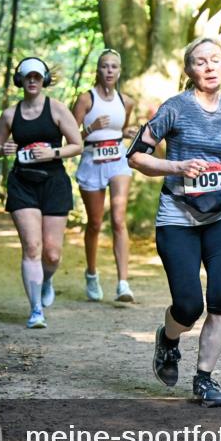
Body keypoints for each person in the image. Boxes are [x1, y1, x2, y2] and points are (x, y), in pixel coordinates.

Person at [127, 36, 221, 407]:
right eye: (200, 62)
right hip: (177, 216)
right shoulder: (175, 109)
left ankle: (204, 379)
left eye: (215, 60)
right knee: (188, 306)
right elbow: (136, 157)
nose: (209, 66)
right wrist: (177, 166)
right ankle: (168, 340)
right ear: (189, 70)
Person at [0, 57, 83, 329]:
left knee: (52, 254)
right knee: (32, 247)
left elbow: (77, 145)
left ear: (44, 80)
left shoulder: (56, 109)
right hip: (22, 183)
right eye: (27, 77)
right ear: (20, 80)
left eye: (37, 77)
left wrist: (53, 152)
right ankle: (35, 310)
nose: (32, 81)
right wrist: (2, 149)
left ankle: (47, 280)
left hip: (54, 182)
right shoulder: (10, 114)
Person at [71, 48, 137, 302]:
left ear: (119, 71)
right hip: (91, 160)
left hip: (118, 161)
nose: (109, 71)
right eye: (104, 66)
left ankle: (123, 283)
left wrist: (126, 133)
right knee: (95, 223)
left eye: (114, 67)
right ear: (97, 71)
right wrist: (92, 128)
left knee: (119, 219)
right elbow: (71, 137)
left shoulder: (126, 101)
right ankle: (91, 273)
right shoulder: (86, 100)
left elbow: (120, 129)